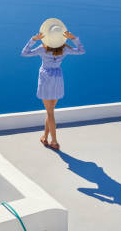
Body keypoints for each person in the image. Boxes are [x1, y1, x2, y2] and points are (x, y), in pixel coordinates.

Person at [21, 18, 85, 150]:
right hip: (57, 79)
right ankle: (45, 137)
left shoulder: (42, 49)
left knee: (50, 113)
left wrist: (33, 39)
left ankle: (54, 141)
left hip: (45, 79)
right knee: (50, 111)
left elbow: (24, 53)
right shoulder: (65, 49)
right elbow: (81, 50)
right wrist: (74, 38)